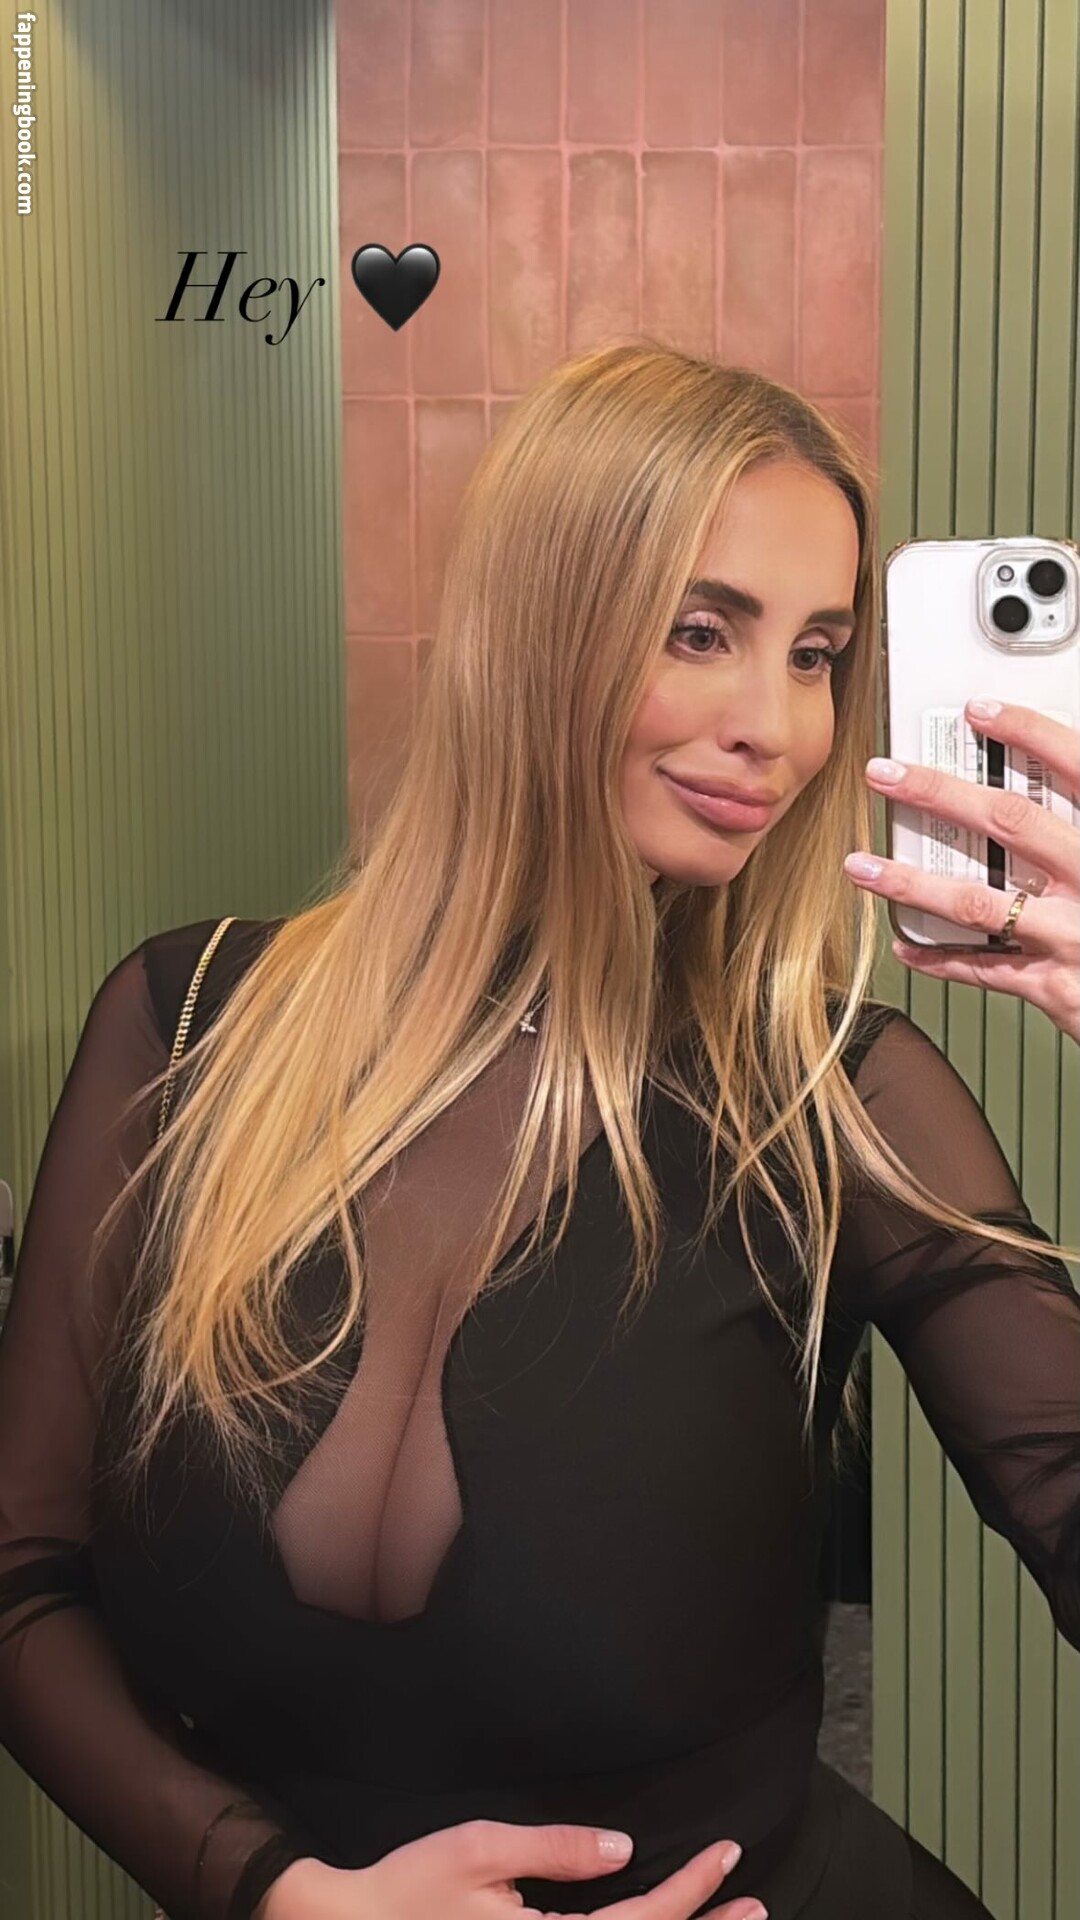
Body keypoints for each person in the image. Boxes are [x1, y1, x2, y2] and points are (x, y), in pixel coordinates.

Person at [1, 341, 1078, 1920]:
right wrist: (276, 1894)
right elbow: (23, 1577)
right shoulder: (183, 1023)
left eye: (817, 655)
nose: (778, 727)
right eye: (702, 631)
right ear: (536, 626)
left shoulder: (837, 1102)